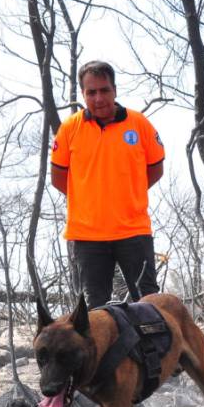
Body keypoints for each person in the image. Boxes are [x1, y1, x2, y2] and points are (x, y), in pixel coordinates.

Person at [50, 60, 166, 308]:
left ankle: (152, 349)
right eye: (91, 92)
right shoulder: (70, 128)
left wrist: (129, 193)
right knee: (94, 311)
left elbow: (156, 168)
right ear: (83, 94)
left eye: (104, 90)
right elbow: (58, 177)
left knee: (149, 305)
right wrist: (87, 198)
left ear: (114, 90)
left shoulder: (139, 124)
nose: (98, 98)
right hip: (87, 235)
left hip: (133, 231)